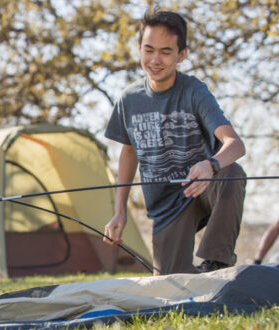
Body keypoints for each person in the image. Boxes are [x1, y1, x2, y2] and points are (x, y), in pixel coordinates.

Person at [102, 9, 246, 275]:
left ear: (181, 55)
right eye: (149, 50)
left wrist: (210, 165)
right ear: (139, 48)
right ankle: (192, 276)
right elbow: (129, 152)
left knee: (232, 173)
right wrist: (119, 211)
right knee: (170, 284)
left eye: (166, 52)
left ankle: (217, 262)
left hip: (201, 189)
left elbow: (235, 145)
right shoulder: (129, 99)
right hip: (166, 208)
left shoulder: (194, 91)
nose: (155, 60)